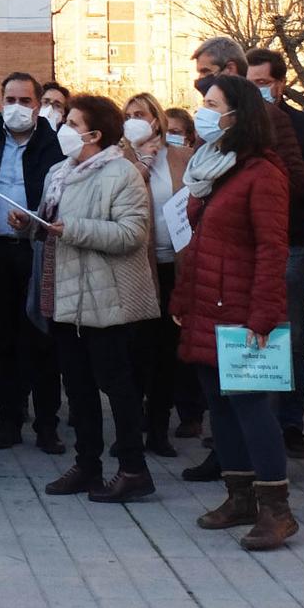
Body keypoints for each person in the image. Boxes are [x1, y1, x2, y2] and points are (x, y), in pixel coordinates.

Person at [174, 73, 297, 551]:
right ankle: (239, 495)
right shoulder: (216, 167)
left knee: (250, 408)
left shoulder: (263, 173)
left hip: (243, 310)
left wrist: (263, 316)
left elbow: (273, 249)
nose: (203, 111)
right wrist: (182, 302)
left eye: (212, 103)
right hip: (207, 303)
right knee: (219, 408)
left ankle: (277, 509)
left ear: (237, 114)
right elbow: (202, 243)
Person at [32, 95, 158, 502]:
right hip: (65, 297)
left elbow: (130, 235)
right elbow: (47, 222)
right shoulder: (59, 171)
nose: (63, 127)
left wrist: (71, 228)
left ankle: (133, 468)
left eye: (71, 121)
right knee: (78, 386)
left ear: (94, 133)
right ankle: (87, 464)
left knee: (117, 386)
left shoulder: (122, 173)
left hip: (108, 301)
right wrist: (27, 224)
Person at [245, 48, 304, 460]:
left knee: (291, 337)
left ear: (280, 85)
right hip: (245, 246)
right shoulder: (236, 127)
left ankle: (290, 424)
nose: (256, 91)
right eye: (249, 85)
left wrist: (276, 179)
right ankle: (249, 421)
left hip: (291, 243)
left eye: (262, 84)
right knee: (246, 333)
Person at [0, 73, 66, 453]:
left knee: (43, 338)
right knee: (3, 339)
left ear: (38, 103)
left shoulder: (53, 143)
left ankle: (47, 423)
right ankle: (8, 418)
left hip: (39, 251)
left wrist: (34, 221)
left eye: (25, 100)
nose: (17, 107)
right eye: (10, 99)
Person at [126, 93, 197, 454]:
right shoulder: (120, 160)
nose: (134, 120)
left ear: (157, 119)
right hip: (137, 269)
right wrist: (140, 163)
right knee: (136, 351)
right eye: (128, 115)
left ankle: (158, 427)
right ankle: (131, 428)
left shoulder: (183, 158)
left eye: (141, 114)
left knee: (167, 353)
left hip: (175, 267)